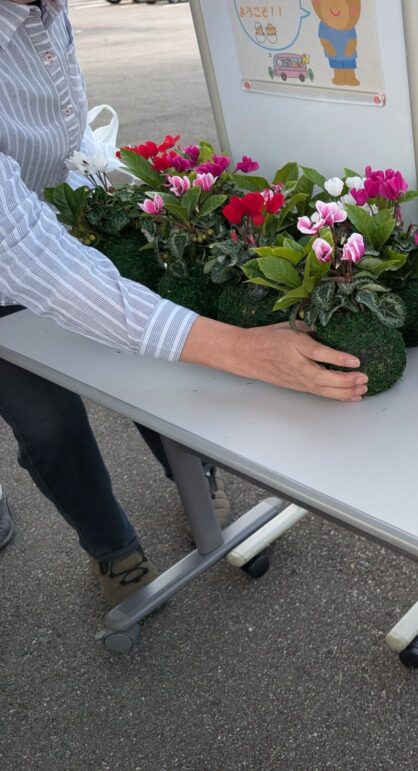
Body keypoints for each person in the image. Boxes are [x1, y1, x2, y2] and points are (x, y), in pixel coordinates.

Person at [0, 0, 367, 605]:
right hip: (10, 272)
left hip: (70, 233)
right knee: (49, 426)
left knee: (153, 369)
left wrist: (104, 203)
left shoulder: (44, 9)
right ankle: (112, 547)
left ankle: (193, 473)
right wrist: (245, 350)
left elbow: (59, 126)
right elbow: (20, 253)